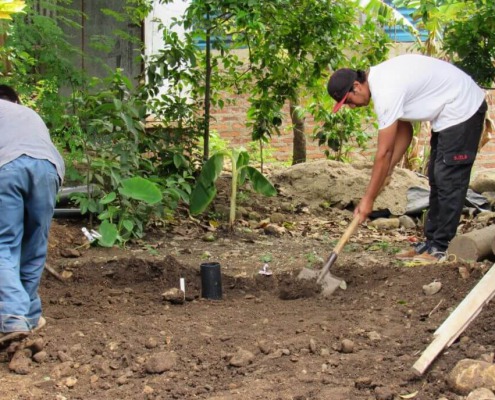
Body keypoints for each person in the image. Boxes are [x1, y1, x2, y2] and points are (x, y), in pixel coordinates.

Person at [327, 54, 487, 263]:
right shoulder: (382, 83)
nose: (352, 106)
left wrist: (368, 199)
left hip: (463, 109)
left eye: (348, 101)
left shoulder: (385, 91)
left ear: (356, 86)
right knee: (436, 178)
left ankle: (440, 248)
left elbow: (383, 153)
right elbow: (405, 131)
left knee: (448, 179)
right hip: (448, 114)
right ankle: (430, 243)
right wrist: (390, 170)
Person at [0, 85, 65, 344]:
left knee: (4, 244)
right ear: (16, 100)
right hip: (48, 169)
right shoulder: (28, 114)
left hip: (7, 167)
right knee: (35, 245)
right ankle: (28, 316)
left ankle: (13, 316)